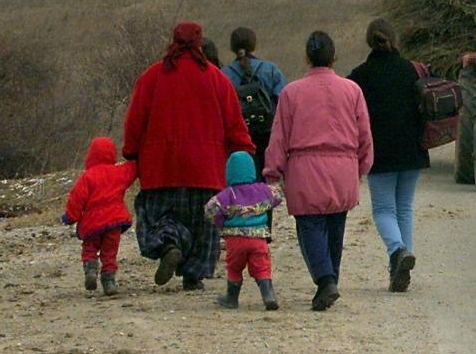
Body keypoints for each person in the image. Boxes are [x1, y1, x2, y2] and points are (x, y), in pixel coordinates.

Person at [123, 21, 255, 291]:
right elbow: (234, 123)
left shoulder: (152, 76)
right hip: (206, 169)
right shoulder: (217, 79)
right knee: (203, 224)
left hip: (160, 168)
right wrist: (244, 150)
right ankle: (193, 276)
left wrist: (131, 152)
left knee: (162, 217)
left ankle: (170, 244)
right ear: (199, 42)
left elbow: (135, 120)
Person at [264, 31, 373, 311]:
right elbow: (364, 135)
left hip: (305, 167)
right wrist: (361, 166)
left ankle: (325, 281)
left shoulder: (291, 92)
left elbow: (280, 136)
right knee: (336, 226)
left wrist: (272, 171)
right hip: (343, 166)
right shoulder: (352, 90)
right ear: (333, 56)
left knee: (310, 227)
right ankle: (330, 279)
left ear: (306, 57)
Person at [348, 19, 429, 293]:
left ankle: (397, 252)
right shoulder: (410, 70)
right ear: (394, 39)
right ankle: (400, 265)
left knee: (384, 210)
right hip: (412, 148)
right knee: (404, 208)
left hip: (380, 151)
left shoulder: (360, 75)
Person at [221, 27, 287, 236]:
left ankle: (240, 227)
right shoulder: (271, 70)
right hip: (267, 134)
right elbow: (283, 101)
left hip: (239, 138)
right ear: (254, 44)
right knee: (264, 183)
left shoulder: (225, 75)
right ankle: (263, 228)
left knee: (241, 181)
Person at [204, 151, 284, 311]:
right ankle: (268, 295)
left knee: (234, 267)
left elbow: (210, 209)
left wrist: (220, 223)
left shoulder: (227, 194)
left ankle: (231, 298)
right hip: (258, 239)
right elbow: (278, 196)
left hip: (235, 240)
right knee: (262, 266)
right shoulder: (262, 190)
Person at [62, 137, 138, 296]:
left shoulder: (88, 177)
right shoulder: (118, 173)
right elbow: (132, 169)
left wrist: (70, 216)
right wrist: (138, 156)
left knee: (89, 248)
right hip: (114, 221)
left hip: (92, 223)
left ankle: (90, 269)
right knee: (110, 253)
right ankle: (109, 280)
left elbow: (77, 198)